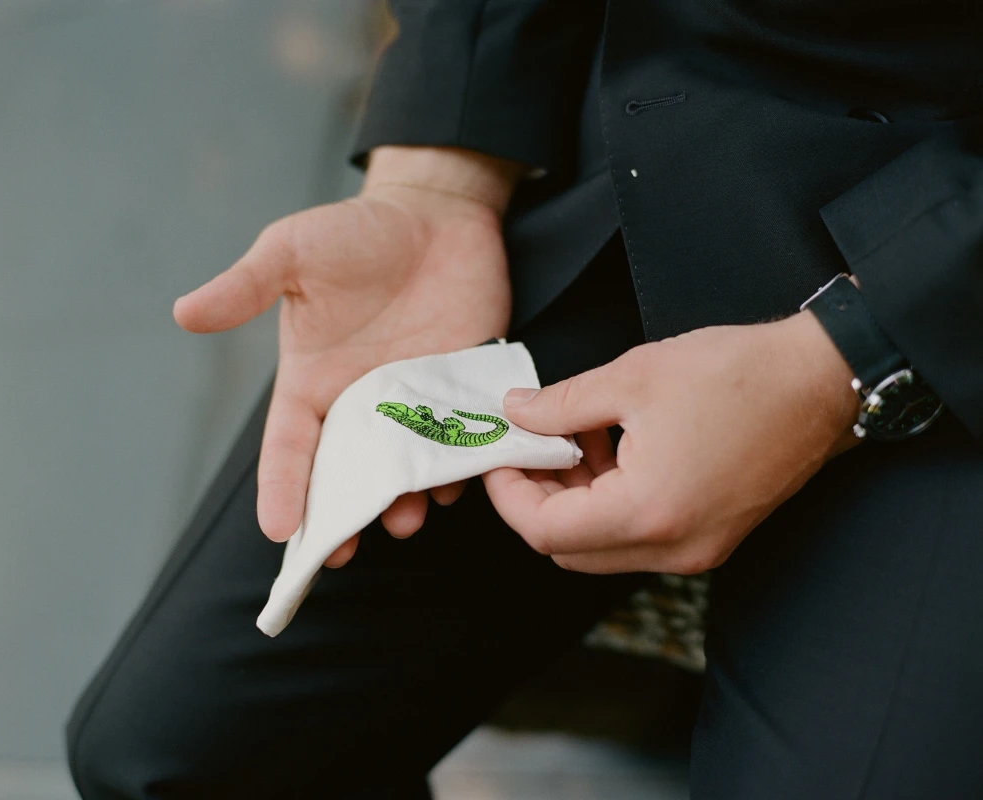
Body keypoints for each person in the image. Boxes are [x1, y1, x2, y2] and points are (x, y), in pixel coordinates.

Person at [65, 2, 983, 797]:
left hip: (955, 254)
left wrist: (855, 355)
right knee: (173, 762)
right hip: (671, 121)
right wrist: (436, 172)